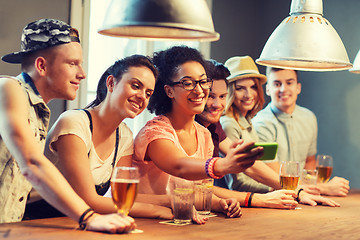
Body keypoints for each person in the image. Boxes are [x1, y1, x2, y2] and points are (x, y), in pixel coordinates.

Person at [0, 18, 135, 232]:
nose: (82, 74)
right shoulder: (8, 88)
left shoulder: (38, 110)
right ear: (42, 66)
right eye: (72, 63)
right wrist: (88, 218)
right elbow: (31, 164)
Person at [133, 46, 264, 223]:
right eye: (188, 83)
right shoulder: (155, 132)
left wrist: (221, 203)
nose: (199, 90)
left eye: (203, 81)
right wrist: (222, 165)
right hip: (142, 225)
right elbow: (180, 166)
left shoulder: (203, 135)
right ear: (169, 90)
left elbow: (199, 190)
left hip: (178, 225)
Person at [195, 58, 338, 208]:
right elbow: (199, 188)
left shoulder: (218, 124)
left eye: (222, 96)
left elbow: (250, 165)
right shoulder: (229, 122)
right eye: (210, 96)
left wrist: (297, 191)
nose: (217, 104)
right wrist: (267, 197)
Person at [44, 55, 172, 219]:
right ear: (111, 83)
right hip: (39, 221)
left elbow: (122, 199)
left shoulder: (124, 135)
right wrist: (157, 211)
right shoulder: (74, 122)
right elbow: (88, 200)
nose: (142, 96)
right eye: (135, 86)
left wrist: (170, 201)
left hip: (77, 223)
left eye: (148, 93)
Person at [252, 67, 350, 197]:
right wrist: (324, 188)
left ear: (298, 87)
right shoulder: (260, 123)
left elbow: (310, 162)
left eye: (289, 83)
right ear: (268, 89)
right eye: (277, 84)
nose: (283, 89)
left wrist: (313, 188)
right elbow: (277, 178)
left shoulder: (309, 117)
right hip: (275, 197)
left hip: (303, 197)